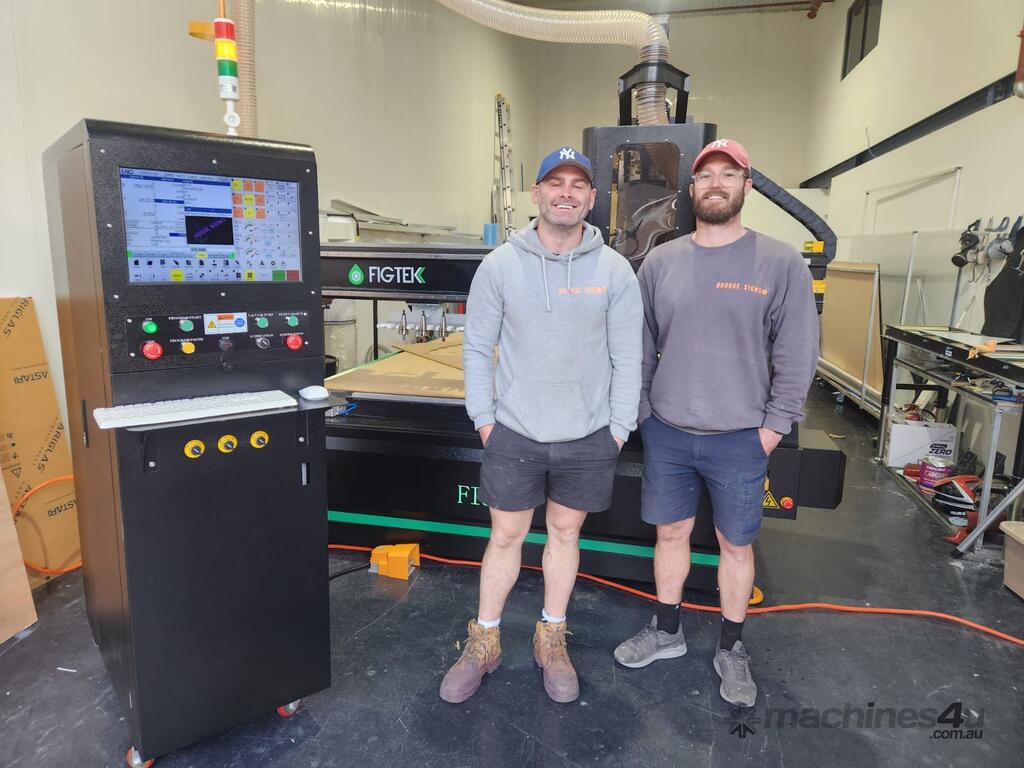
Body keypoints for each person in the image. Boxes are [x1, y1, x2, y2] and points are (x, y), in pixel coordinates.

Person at [613, 139, 819, 707]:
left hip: (741, 438)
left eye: (730, 174)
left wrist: (774, 427)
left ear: (747, 187)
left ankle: (731, 647)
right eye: (707, 175)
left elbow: (798, 351)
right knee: (670, 534)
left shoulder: (780, 262)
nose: (717, 184)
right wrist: (643, 412)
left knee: (735, 544)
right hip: (668, 432)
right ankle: (667, 630)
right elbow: (638, 343)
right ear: (692, 189)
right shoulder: (661, 262)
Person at [439, 146, 643, 704]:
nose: (565, 193)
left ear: (592, 198)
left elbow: (629, 356)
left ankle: (551, 637)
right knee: (505, 535)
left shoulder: (614, 270)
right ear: (536, 193)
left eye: (577, 185)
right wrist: (485, 420)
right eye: (556, 182)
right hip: (514, 433)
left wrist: (618, 428)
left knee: (564, 534)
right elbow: (476, 349)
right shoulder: (500, 266)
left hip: (588, 436)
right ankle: (484, 641)